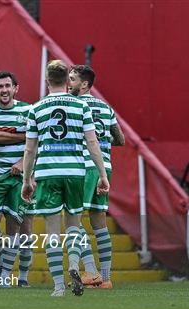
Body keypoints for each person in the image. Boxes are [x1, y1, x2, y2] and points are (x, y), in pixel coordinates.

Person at [21, 60, 109, 297]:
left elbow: (30, 150)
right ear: (66, 81)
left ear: (47, 81)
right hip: (75, 173)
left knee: (52, 231)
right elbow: (92, 143)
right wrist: (102, 174)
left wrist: (26, 180)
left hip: (48, 173)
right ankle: (73, 263)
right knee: (73, 226)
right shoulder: (81, 107)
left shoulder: (36, 109)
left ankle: (59, 286)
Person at [68, 65, 125, 289]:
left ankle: (90, 271)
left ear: (85, 84)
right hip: (104, 167)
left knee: (73, 219)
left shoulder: (74, 105)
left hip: (82, 166)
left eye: (72, 79)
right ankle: (106, 278)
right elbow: (120, 139)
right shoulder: (106, 108)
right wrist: (105, 142)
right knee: (98, 221)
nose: (68, 83)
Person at [0, 71, 34, 288]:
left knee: (17, 226)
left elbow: (35, 143)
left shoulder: (27, 111)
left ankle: (9, 275)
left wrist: (22, 163)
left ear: (15, 88)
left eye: (7, 86)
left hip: (20, 177)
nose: (4, 90)